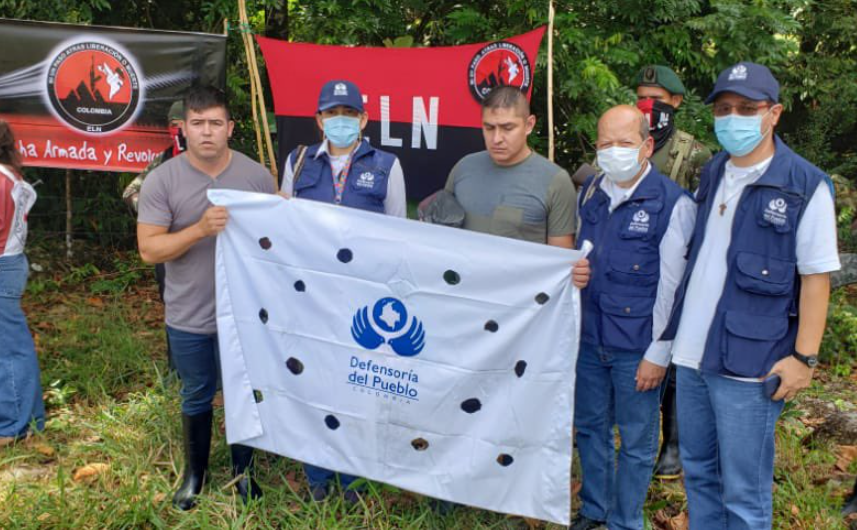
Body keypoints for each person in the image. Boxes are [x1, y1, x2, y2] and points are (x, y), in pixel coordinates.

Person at [661, 62, 840, 530]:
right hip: (693, 355)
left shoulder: (804, 186)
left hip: (749, 364)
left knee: (744, 493)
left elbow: (816, 280)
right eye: (724, 109)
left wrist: (805, 358)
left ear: (774, 113)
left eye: (747, 108)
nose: (733, 117)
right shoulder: (716, 169)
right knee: (699, 476)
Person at [136, 86, 276, 510]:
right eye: (198, 124)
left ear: (231, 128)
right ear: (184, 129)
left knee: (245, 393)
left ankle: (243, 475)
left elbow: (277, 243)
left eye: (216, 123)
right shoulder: (163, 179)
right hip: (189, 313)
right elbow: (149, 250)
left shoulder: (256, 177)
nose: (207, 132)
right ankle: (194, 476)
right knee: (197, 393)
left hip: (247, 314)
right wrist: (198, 229)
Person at [569, 106, 695, 530]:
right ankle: (594, 511)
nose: (613, 152)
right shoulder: (590, 194)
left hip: (637, 347)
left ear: (646, 146)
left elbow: (673, 288)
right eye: (605, 143)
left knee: (638, 441)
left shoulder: (672, 203)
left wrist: (658, 353)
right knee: (590, 429)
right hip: (589, 338)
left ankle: (625, 521)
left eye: (624, 143)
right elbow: (578, 257)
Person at [281, 79, 407, 502]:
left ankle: (353, 483)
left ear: (364, 119)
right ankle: (317, 479)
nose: (340, 122)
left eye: (348, 114)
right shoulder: (298, 163)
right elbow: (284, 228)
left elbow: (398, 238)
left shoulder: (387, 166)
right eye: (331, 115)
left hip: (363, 304)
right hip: (310, 299)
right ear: (318, 121)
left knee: (358, 391)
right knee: (313, 388)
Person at [634, 65, 713, 481]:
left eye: (658, 99)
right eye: (642, 96)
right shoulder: (628, 142)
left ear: (677, 102)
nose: (649, 105)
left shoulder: (695, 154)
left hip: (676, 269)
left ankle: (675, 445)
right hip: (632, 268)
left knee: (675, 358)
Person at [123, 100, 186, 372]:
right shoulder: (163, 160)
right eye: (173, 125)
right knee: (173, 305)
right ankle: (177, 369)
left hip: (210, 248)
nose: (178, 129)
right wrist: (155, 214)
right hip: (169, 247)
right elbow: (130, 193)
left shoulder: (218, 158)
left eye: (183, 124)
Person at [0, 120, 44, 446]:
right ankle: (22, 419)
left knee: (10, 348)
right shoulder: (8, 174)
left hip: (3, 264)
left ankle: (17, 426)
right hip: (10, 262)